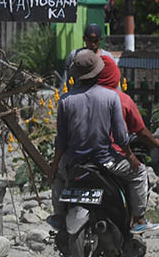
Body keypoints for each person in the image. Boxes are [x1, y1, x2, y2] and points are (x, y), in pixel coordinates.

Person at [48, 49, 143, 229]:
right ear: (98, 71)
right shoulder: (111, 97)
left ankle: (59, 217)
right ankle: (139, 219)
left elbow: (61, 140)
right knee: (139, 173)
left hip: (73, 163)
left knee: (59, 178)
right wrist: (130, 156)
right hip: (105, 162)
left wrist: (54, 165)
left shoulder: (66, 101)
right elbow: (121, 136)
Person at [95, 55, 159, 233]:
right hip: (109, 156)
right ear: (114, 75)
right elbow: (135, 132)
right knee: (139, 172)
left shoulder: (81, 97)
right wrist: (153, 144)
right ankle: (139, 219)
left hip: (81, 156)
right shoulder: (120, 99)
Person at [62, 23, 117, 89]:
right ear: (84, 39)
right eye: (90, 40)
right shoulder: (75, 55)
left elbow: (115, 79)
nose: (92, 44)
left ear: (100, 39)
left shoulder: (108, 57)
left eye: (95, 41)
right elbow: (66, 78)